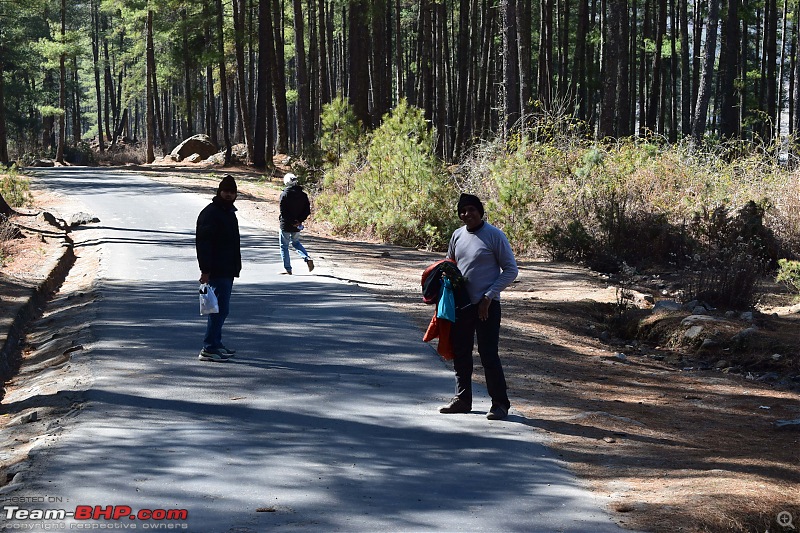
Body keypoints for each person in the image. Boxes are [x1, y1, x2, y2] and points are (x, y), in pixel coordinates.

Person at [439, 193, 519, 420]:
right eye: (462, 211)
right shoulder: (457, 236)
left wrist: (488, 297)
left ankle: (500, 404)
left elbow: (511, 270)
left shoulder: (494, 235)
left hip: (487, 307)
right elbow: (450, 264)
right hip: (462, 306)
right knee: (461, 352)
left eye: (471, 209)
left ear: (480, 211)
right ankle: (462, 399)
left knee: (488, 354)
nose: (467, 214)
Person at [196, 174, 242, 362]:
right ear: (219, 191)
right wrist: (205, 270)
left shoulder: (228, 212)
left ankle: (216, 343)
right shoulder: (211, 213)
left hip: (227, 268)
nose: (229, 195)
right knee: (218, 309)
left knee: (222, 309)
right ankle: (209, 347)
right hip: (216, 269)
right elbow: (203, 244)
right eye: (226, 191)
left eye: (232, 192)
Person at [278, 173, 314, 274]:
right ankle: (306, 258)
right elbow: (307, 210)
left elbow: (283, 211)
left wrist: (291, 221)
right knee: (296, 243)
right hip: (297, 225)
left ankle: (288, 269)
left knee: (284, 246)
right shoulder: (303, 195)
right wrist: (299, 221)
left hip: (286, 224)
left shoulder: (284, 194)